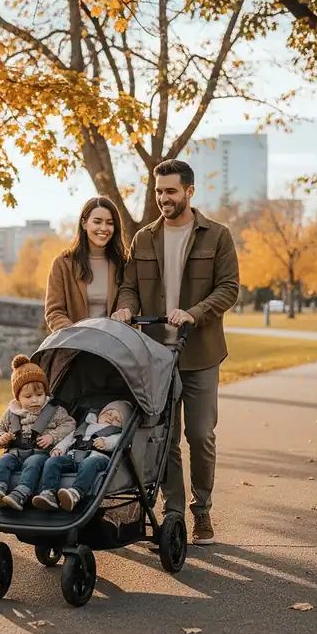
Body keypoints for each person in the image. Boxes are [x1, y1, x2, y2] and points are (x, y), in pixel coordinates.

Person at [112, 159, 239, 545]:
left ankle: (202, 512)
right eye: (158, 192)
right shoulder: (144, 239)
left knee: (200, 436)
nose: (163, 198)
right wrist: (126, 307)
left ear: (189, 192)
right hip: (154, 356)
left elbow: (229, 288)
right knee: (164, 438)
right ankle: (172, 513)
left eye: (170, 191)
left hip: (200, 353)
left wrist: (194, 313)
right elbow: (130, 285)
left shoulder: (217, 236)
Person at [0, 355, 75, 511]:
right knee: (3, 461)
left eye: (39, 395)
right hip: (16, 452)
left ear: (45, 393)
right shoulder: (12, 412)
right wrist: (1, 437)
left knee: (33, 463)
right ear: (18, 397)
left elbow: (70, 424)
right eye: (28, 397)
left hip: (40, 453)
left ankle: (21, 493)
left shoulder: (54, 410)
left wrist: (52, 436)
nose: (35, 400)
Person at [32, 400, 133, 512]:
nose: (111, 419)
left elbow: (117, 441)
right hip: (73, 457)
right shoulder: (85, 426)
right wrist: (58, 449)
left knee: (88, 463)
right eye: (108, 414)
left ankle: (76, 493)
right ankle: (48, 493)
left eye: (117, 420)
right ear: (100, 414)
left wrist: (105, 443)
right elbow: (69, 439)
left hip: (97, 458)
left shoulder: (117, 433)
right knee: (53, 462)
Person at [44, 196, 127, 333]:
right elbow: (54, 312)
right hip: (75, 345)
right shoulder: (63, 264)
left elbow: (129, 306)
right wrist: (76, 337)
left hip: (114, 348)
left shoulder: (124, 264)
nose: (104, 228)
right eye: (97, 222)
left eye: (110, 223)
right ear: (84, 223)